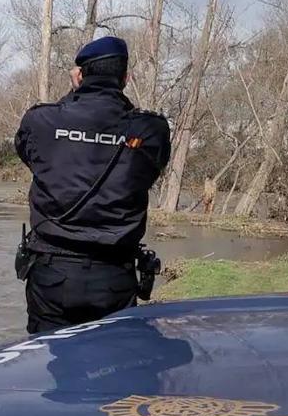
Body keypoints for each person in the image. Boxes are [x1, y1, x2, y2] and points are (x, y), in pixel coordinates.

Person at [15, 36, 172, 333]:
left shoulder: (41, 121)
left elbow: (31, 156)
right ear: (126, 78)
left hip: (52, 275)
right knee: (112, 366)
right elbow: (153, 170)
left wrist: (75, 97)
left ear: (79, 75)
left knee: (49, 365)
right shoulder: (150, 130)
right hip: (114, 277)